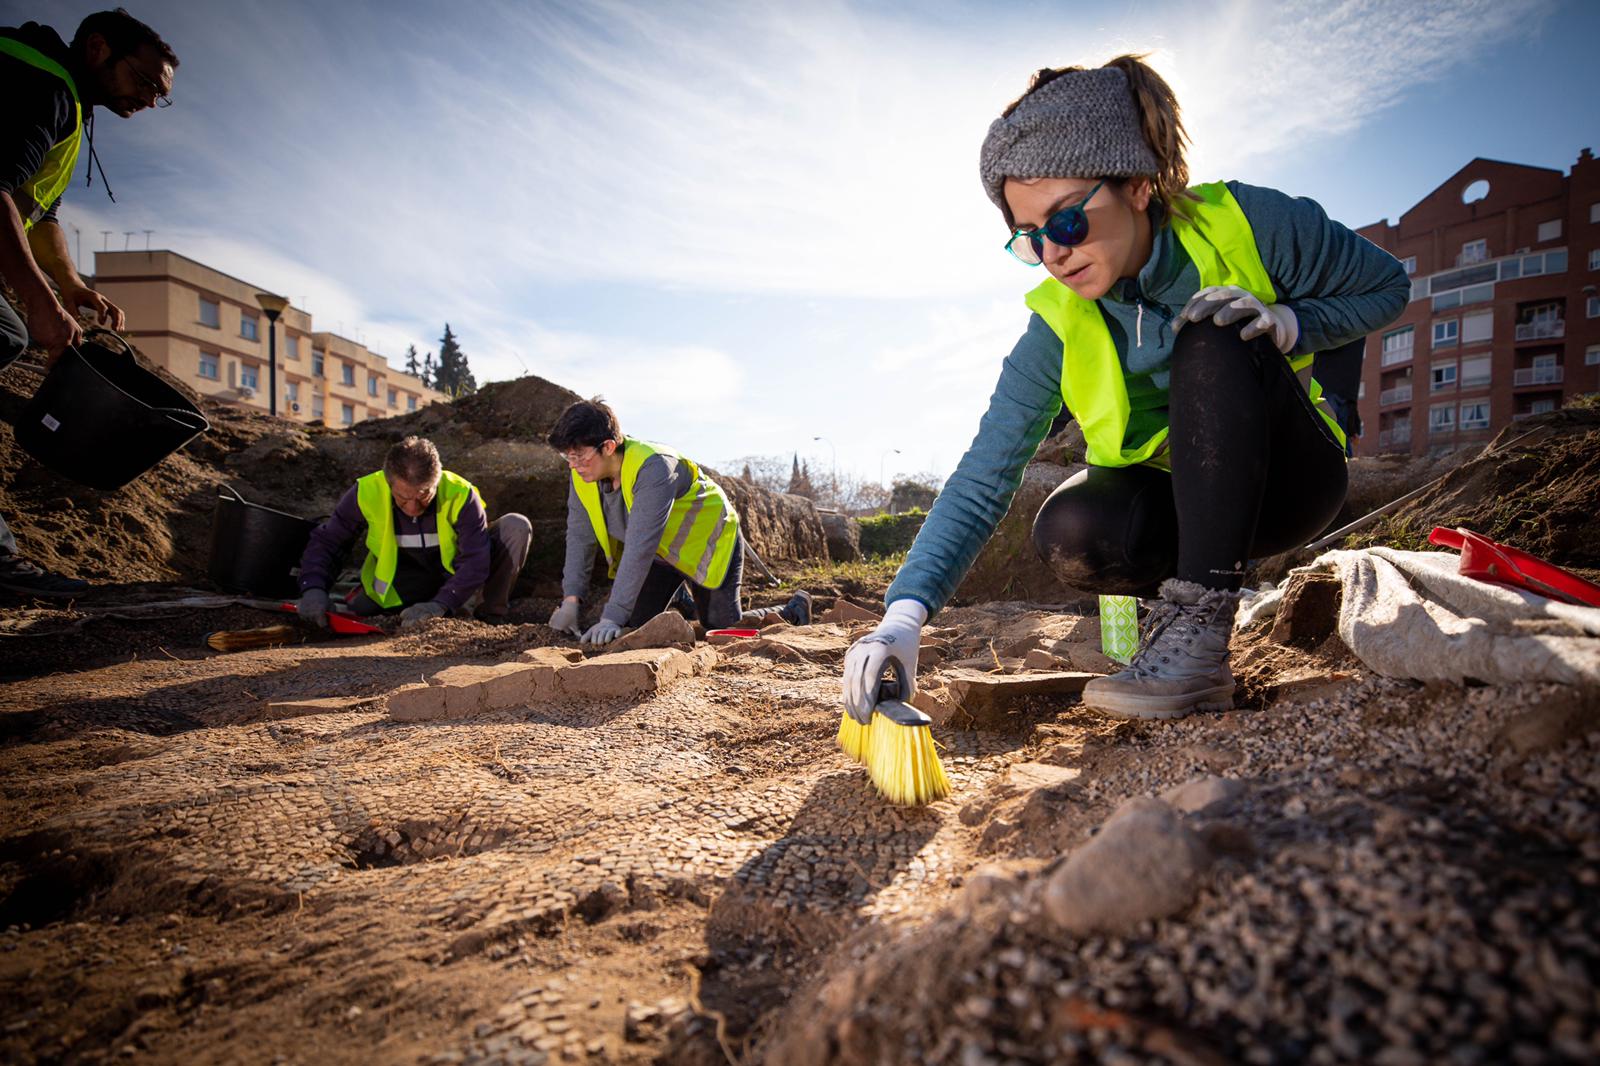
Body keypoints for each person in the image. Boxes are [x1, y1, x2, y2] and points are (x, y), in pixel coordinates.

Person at [841, 56, 1407, 722]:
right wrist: (903, 617)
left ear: (1137, 186)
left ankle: (1198, 634)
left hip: (1286, 485)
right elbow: (983, 473)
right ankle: (1148, 637)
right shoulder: (1059, 324)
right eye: (1028, 239)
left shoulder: (1252, 224)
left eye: (1066, 223)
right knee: (1073, 526)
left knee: (1212, 326)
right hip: (1175, 502)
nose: (1053, 254)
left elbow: (1386, 285)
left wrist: (1292, 323)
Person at [0, 8, 178, 597]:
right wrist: (38, 301)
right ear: (99, 48)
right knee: (8, 333)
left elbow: (37, 212)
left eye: (161, 95)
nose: (150, 101)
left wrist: (70, 287)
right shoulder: (40, 84)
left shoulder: (68, 100)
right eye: (146, 82)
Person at [547, 398, 811, 645]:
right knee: (634, 626)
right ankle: (684, 598)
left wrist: (612, 616)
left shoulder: (654, 467)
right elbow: (580, 537)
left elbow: (640, 544)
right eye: (567, 456)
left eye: (579, 456)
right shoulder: (583, 476)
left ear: (608, 446)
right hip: (662, 554)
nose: (573, 465)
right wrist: (571, 600)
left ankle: (792, 611)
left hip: (707, 544)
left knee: (721, 632)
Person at [295, 437, 531, 628]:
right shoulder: (367, 491)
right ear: (389, 483)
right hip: (395, 590)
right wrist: (313, 588)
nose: (413, 508)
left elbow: (475, 561)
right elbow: (328, 542)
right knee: (361, 610)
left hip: (453, 587)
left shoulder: (461, 494)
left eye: (423, 496)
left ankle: (488, 618)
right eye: (404, 498)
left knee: (515, 525)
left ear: (436, 481)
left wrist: (441, 604)